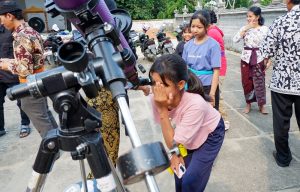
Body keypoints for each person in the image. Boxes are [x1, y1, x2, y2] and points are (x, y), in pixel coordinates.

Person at [150, 54, 225, 192]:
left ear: (180, 84)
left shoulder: (195, 104)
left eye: (163, 85)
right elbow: (172, 138)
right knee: (180, 173)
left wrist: (162, 111)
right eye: (154, 83)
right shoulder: (156, 98)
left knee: (191, 179)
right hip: (185, 134)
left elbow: (173, 140)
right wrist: (175, 154)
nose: (157, 90)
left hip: (211, 134)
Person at [0, 1, 58, 138]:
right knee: (45, 116)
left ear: (9, 16)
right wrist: (11, 61)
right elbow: (31, 60)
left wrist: (6, 65)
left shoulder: (21, 36)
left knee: (42, 122)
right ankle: (58, 141)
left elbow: (25, 69)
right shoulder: (30, 30)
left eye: (1, 19)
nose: (1, 23)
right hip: (38, 80)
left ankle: (53, 149)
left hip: (30, 84)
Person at [260, 0, 300, 167]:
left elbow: (266, 51)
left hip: (282, 83)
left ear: (288, 1)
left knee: (281, 122)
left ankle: (283, 158)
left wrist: (267, 60)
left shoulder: (280, 21)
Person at [232, 6, 268, 114]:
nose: (248, 18)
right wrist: (246, 28)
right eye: (247, 16)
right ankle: (248, 103)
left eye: (250, 16)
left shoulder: (264, 29)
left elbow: (268, 45)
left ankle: (261, 105)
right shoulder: (244, 28)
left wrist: (268, 58)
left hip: (259, 58)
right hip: (246, 58)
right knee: (246, 82)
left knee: (260, 81)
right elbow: (235, 40)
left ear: (257, 17)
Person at [182, 11, 221, 110]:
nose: (195, 30)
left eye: (199, 27)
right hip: (192, 85)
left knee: (209, 113)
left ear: (207, 27)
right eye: (193, 26)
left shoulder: (213, 45)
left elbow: (216, 71)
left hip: (207, 86)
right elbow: (184, 67)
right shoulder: (187, 45)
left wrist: (212, 94)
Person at [0, 24, 31, 138]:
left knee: (22, 101)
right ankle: (0, 128)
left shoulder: (11, 32)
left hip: (12, 74)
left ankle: (25, 124)